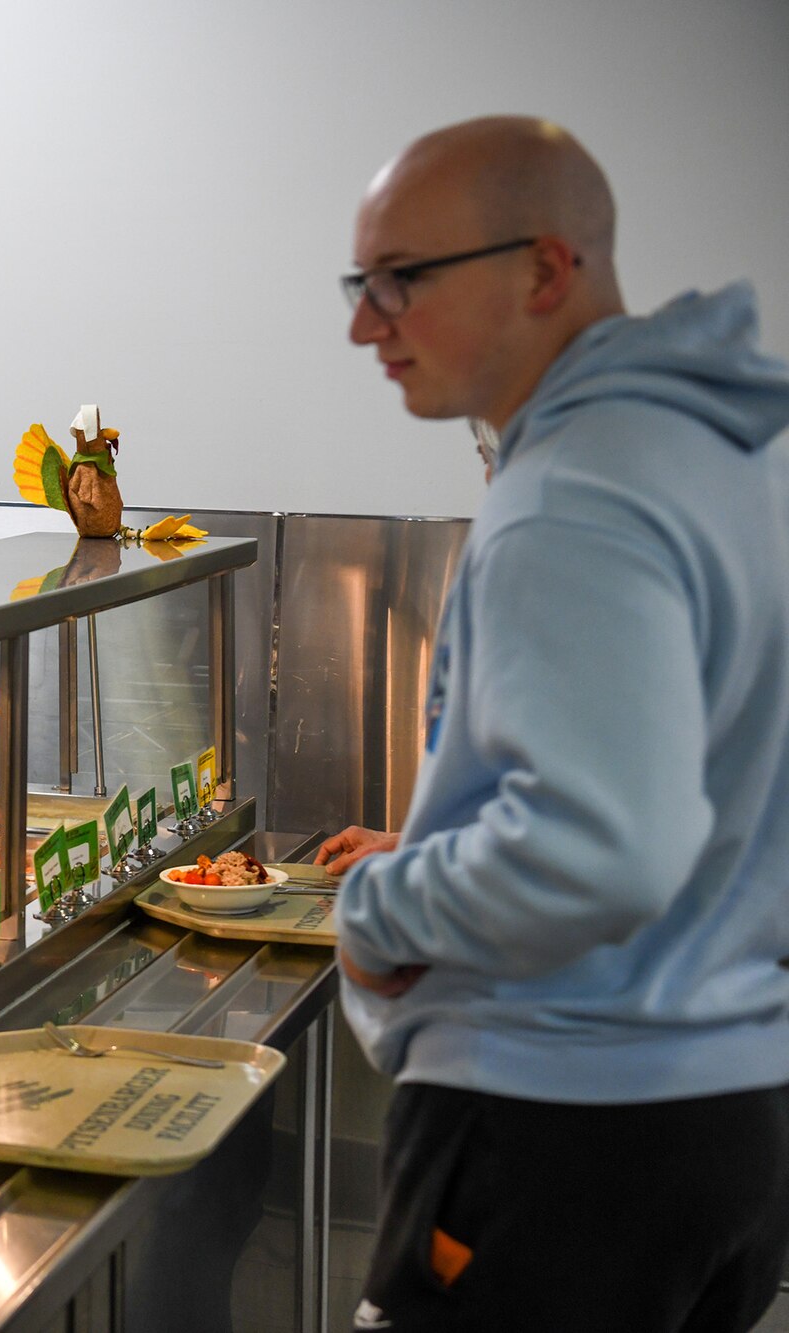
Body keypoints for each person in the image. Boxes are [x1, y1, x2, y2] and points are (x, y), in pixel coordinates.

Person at [324, 116, 789, 1332]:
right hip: (730, 1114)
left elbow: (598, 844)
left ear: (543, 269)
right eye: (357, 284)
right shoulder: (728, 448)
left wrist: (381, 913)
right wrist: (446, 848)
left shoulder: (570, 493)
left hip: (554, 1126)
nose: (364, 325)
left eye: (399, 280)